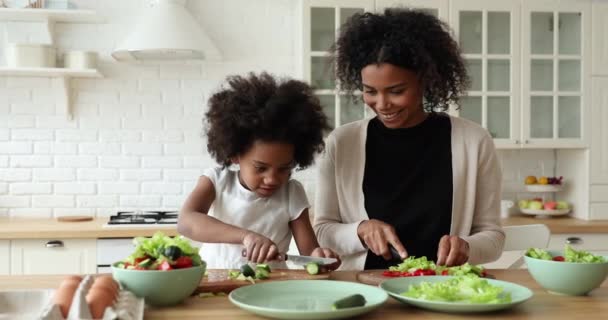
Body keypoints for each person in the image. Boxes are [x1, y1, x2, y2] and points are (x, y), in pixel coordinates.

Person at [313, 8, 505, 270]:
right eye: (370, 91)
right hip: (366, 290)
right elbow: (323, 230)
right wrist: (360, 230)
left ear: (425, 81)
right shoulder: (342, 142)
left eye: (396, 91)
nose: (382, 104)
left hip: (440, 290)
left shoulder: (473, 141)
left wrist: (467, 246)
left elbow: (493, 237)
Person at [178, 72, 340, 270]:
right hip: (215, 281)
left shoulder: (292, 192)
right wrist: (246, 236)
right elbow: (186, 222)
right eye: (260, 168)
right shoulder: (216, 181)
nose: (272, 179)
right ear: (235, 154)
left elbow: (310, 254)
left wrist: (320, 257)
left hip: (271, 290)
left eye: (284, 168)